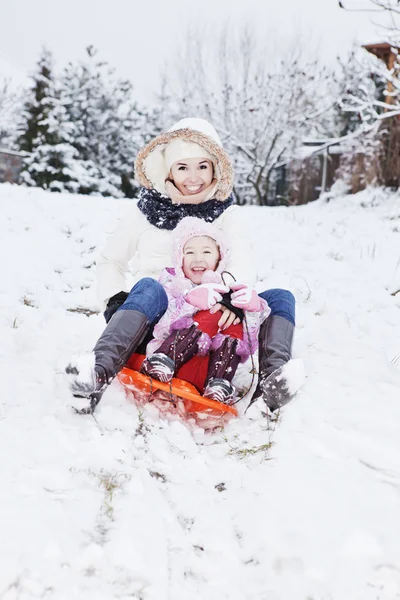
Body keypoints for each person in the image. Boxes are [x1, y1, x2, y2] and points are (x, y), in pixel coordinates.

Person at [66, 117, 301, 414]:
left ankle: (270, 388)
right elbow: (111, 260)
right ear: (168, 170)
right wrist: (114, 299)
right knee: (151, 287)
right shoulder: (146, 213)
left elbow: (243, 260)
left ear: (215, 168)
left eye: (202, 166)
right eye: (183, 167)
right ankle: (97, 374)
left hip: (213, 321)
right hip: (155, 323)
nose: (193, 177)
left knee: (281, 297)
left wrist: (230, 297)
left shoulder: (226, 214)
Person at [139, 216, 270, 405]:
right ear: (179, 258)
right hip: (165, 362)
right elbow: (160, 327)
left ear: (219, 259)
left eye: (206, 252)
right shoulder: (173, 284)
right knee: (214, 312)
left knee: (231, 316)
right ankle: (167, 358)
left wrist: (252, 311)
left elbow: (248, 346)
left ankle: (219, 382)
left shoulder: (227, 290)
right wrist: (190, 302)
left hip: (205, 373)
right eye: (189, 252)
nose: (198, 259)